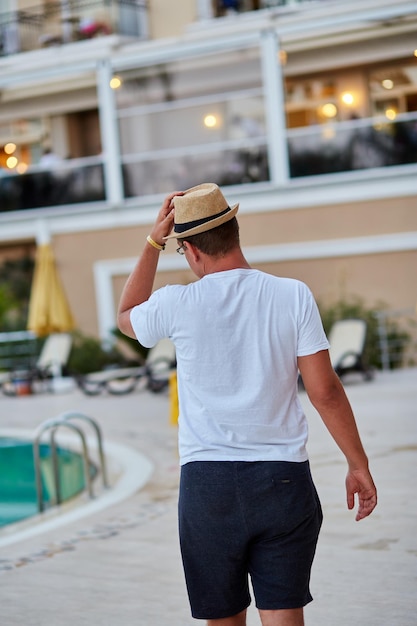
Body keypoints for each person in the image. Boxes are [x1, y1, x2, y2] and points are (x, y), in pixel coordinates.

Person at [117, 183, 377, 626]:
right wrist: (358, 464)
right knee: (284, 615)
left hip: (208, 484)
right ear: (234, 232)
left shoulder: (178, 302)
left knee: (224, 619)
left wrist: (153, 243)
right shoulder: (292, 294)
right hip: (283, 479)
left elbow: (126, 316)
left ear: (192, 250)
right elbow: (324, 391)